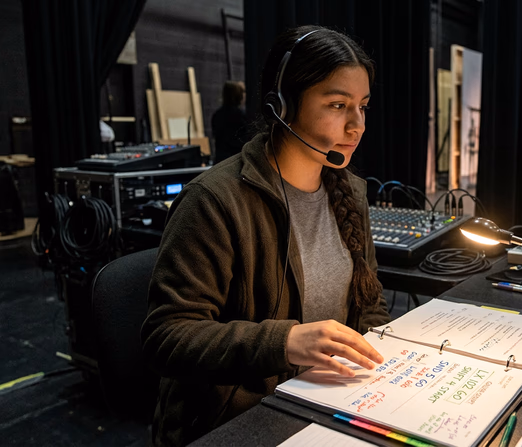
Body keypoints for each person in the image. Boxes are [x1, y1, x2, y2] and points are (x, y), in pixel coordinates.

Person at [141, 26, 391, 446]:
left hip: (323, 401)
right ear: (282, 105)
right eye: (338, 105)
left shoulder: (351, 192)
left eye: (362, 107)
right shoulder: (214, 201)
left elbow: (369, 304)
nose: (357, 125)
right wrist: (285, 342)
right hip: (236, 420)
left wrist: (386, 364)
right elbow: (166, 336)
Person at [211, 80, 249, 163]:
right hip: (235, 160)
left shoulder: (217, 115)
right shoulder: (240, 115)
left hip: (220, 161)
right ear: (239, 96)